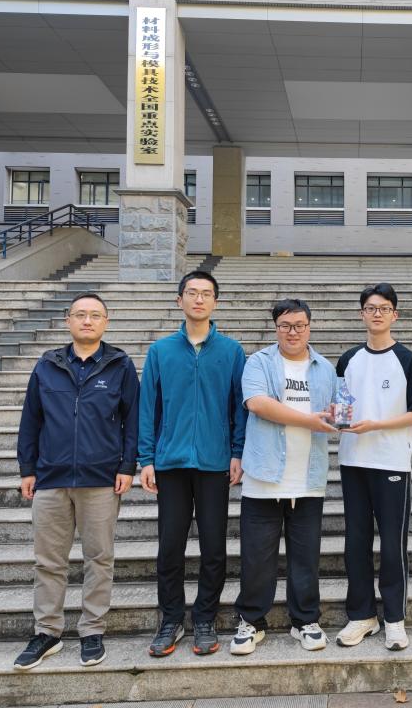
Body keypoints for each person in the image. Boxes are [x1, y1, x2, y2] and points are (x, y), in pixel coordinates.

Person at [14, 292, 139, 670]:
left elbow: (132, 420)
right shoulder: (47, 365)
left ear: (106, 322)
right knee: (48, 561)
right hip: (51, 478)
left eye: (95, 315)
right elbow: (30, 420)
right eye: (80, 314)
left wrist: (127, 466)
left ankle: (92, 630)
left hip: (100, 479)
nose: (87, 321)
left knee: (99, 558)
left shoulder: (120, 366)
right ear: (68, 320)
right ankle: (47, 632)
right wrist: (27, 469)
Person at [138, 270, 247, 657]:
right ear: (179, 300)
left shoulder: (231, 351)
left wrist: (237, 452)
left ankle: (204, 618)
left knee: (214, 546)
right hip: (170, 463)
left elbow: (239, 407)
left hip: (215, 463)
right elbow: (147, 408)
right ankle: (171, 619)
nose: (199, 299)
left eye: (206, 293)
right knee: (170, 546)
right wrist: (146, 458)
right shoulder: (160, 351)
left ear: (215, 302)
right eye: (192, 292)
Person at [229, 299, 338, 655]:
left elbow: (335, 410)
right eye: (285, 326)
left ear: (310, 327)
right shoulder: (259, 362)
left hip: (308, 478)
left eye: (299, 325)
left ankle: (305, 620)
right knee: (257, 558)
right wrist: (310, 420)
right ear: (276, 328)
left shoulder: (325, 368)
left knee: (306, 558)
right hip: (264, 477)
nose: (293, 332)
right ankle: (251, 621)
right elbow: (258, 404)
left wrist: (340, 416)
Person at [334, 282, 412, 651]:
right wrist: (337, 418)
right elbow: (341, 407)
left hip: (391, 462)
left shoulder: (407, 360)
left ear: (395, 314)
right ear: (362, 314)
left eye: (384, 308)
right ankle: (362, 615)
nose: (377, 314)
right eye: (371, 308)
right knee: (356, 542)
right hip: (352, 461)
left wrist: (375, 424)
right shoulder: (348, 359)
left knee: (392, 545)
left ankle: (394, 619)